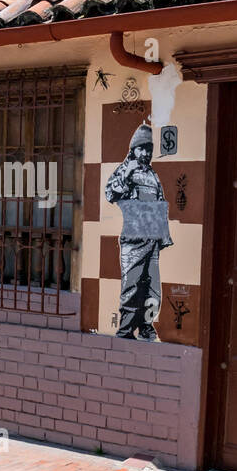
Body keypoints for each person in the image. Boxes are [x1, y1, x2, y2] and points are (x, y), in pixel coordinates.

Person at [105, 123, 171, 339]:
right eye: (141, 148)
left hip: (152, 240)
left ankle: (146, 326)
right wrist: (126, 174)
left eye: (149, 149)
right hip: (133, 240)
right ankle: (125, 331)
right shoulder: (125, 169)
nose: (145, 153)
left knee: (152, 290)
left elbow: (160, 205)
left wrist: (163, 237)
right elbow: (109, 193)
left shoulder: (153, 175)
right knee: (131, 288)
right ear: (133, 149)